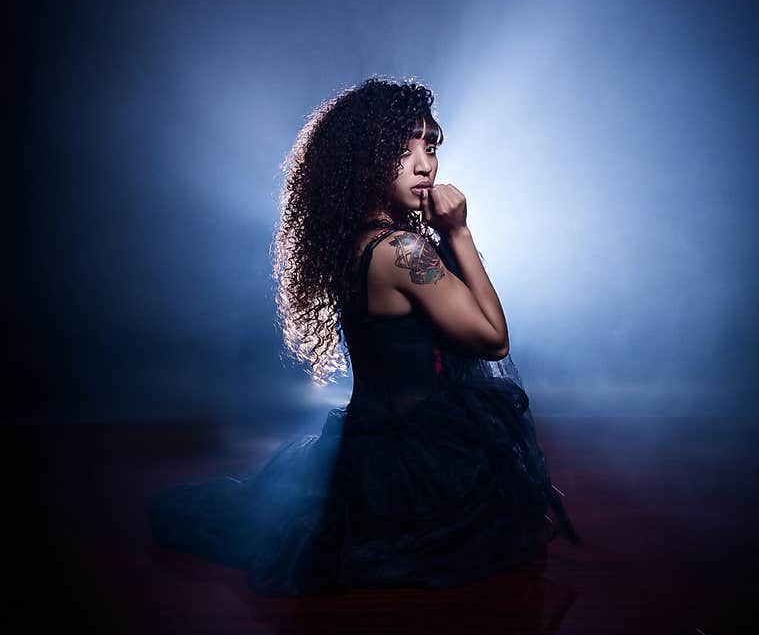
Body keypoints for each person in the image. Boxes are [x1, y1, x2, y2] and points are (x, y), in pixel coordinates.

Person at [145, 77, 580, 596]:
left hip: (369, 445)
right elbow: (493, 339)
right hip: (409, 459)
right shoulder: (403, 253)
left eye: (431, 145)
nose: (425, 165)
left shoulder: (360, 242)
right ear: (366, 160)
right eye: (403, 148)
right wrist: (459, 232)